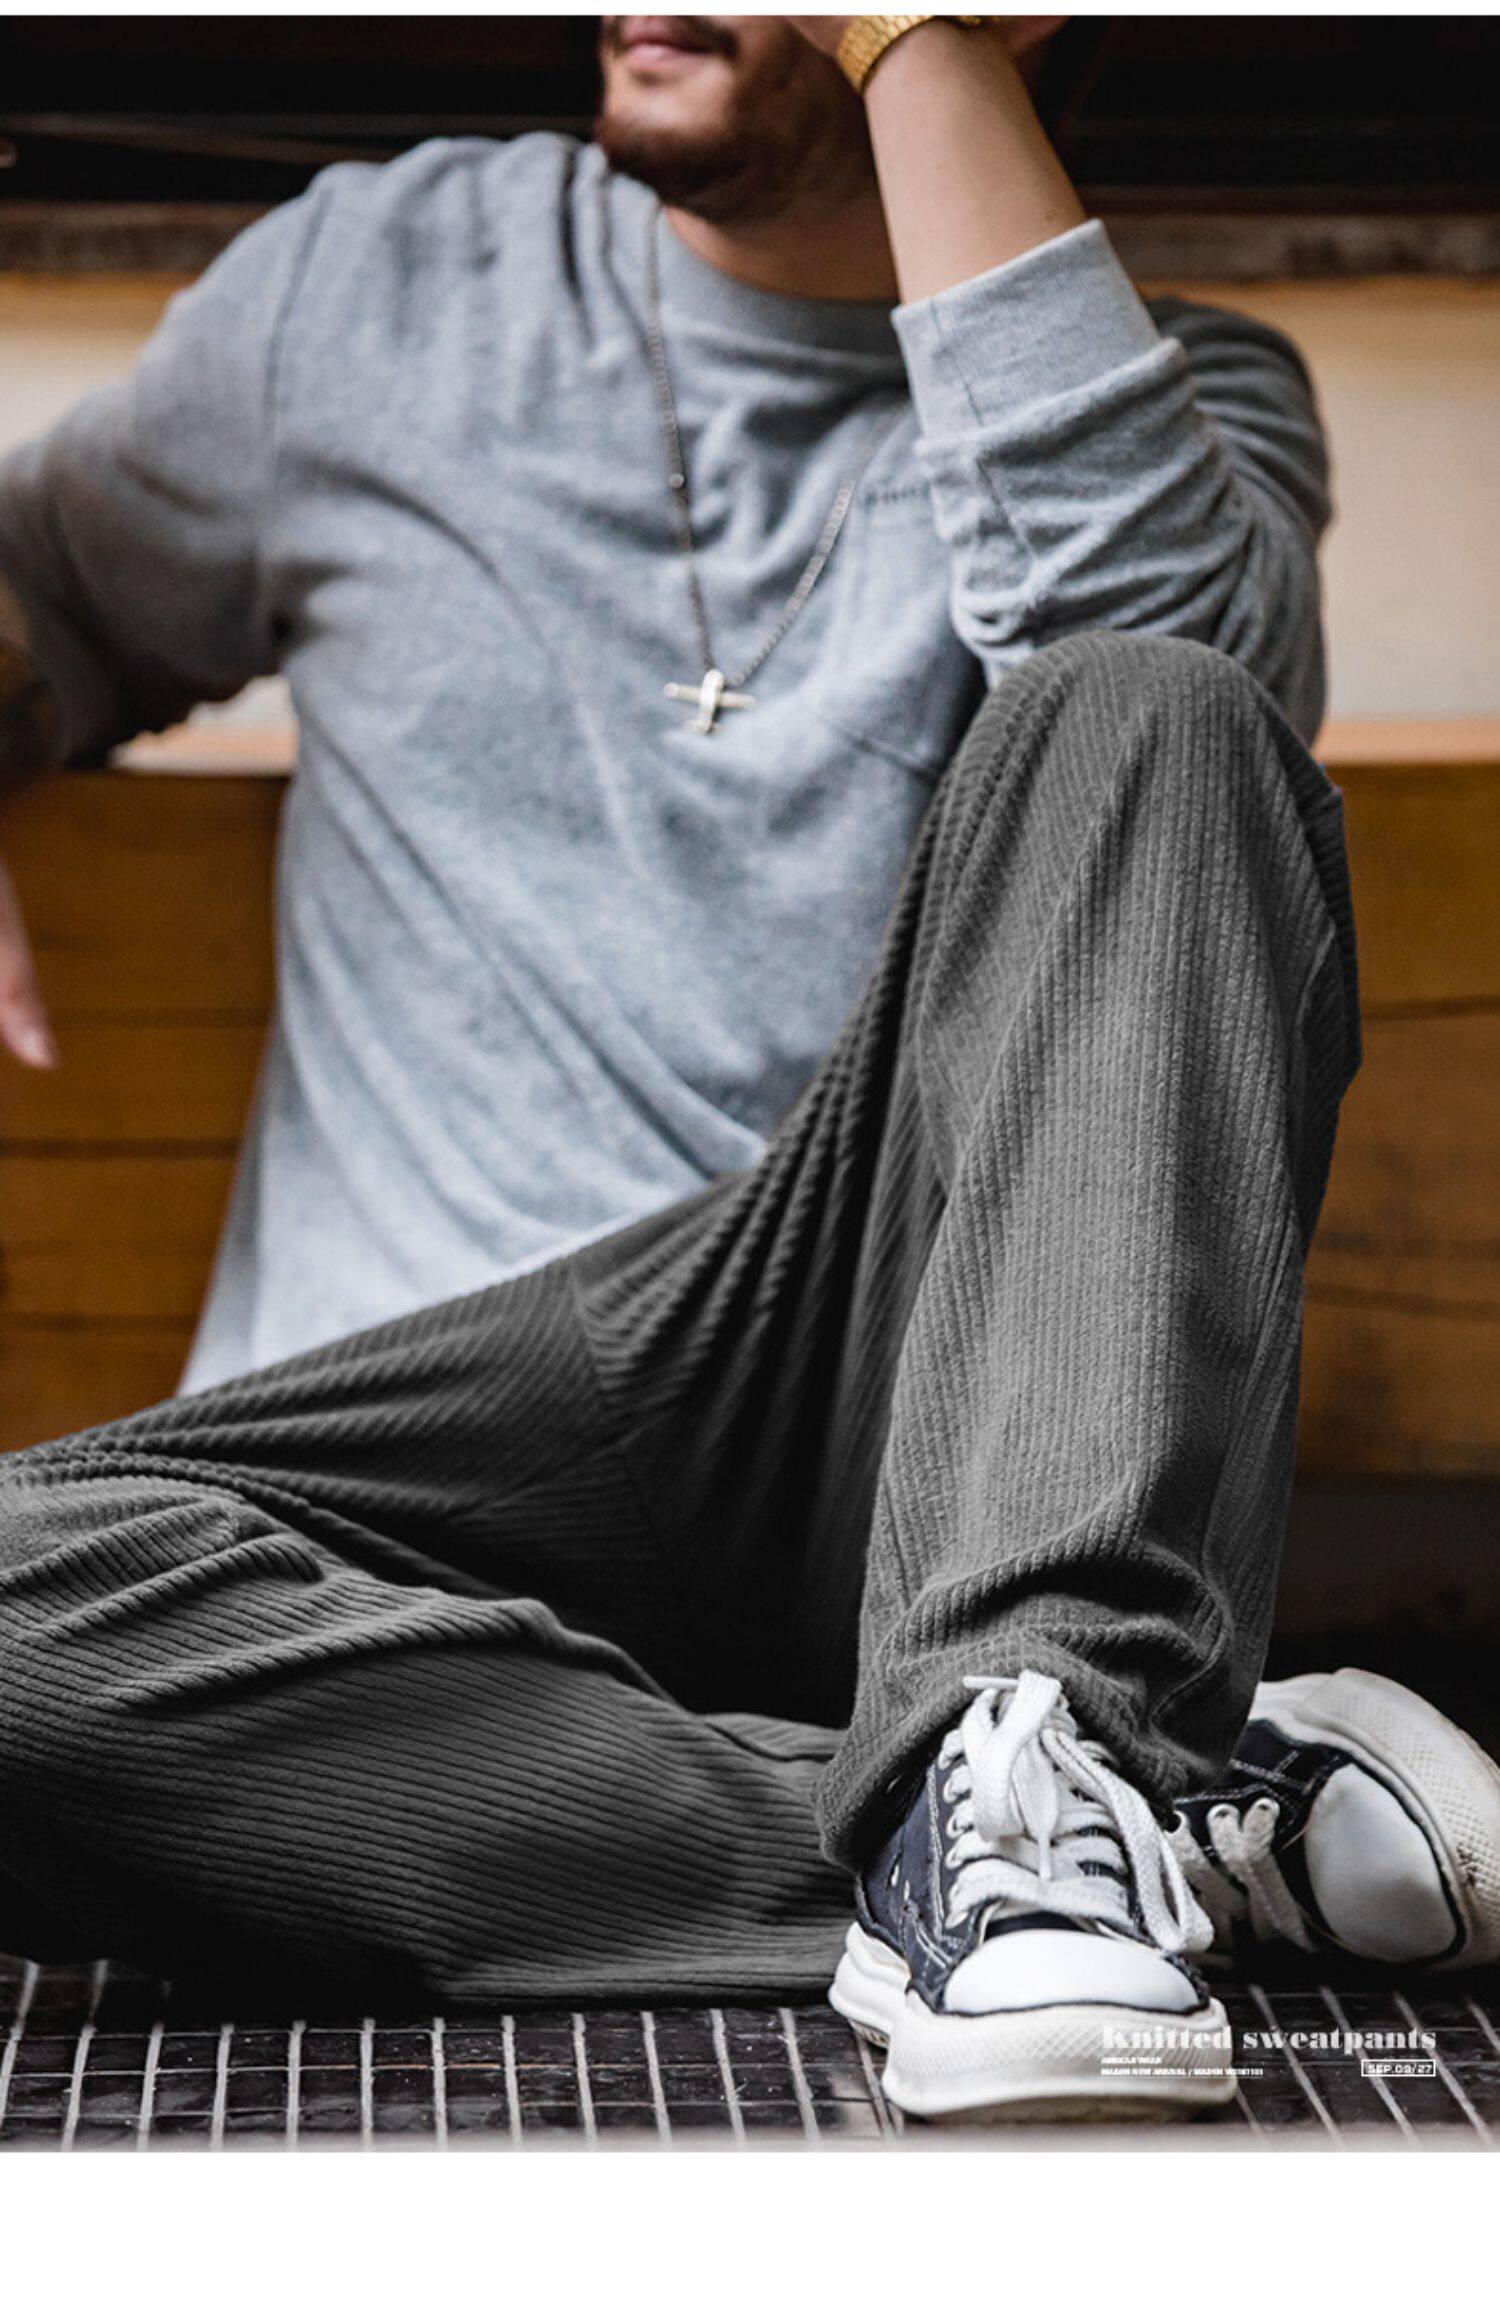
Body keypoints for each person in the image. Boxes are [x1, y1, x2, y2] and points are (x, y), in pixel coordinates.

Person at [0, 15, 1494, 2124]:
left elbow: (1198, 756)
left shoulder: (1185, 392)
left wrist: (926, 49)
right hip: (379, 1553)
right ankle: (1078, 1840)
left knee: (1153, 711)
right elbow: (43, 586)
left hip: (883, 1434)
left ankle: (1029, 1743)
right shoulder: (383, 289)